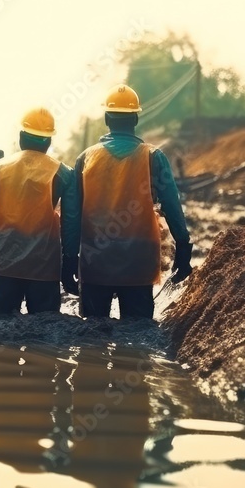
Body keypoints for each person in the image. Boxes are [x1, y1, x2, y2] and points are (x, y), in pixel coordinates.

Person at [65, 85, 193, 320]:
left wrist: (69, 259)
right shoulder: (154, 157)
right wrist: (184, 248)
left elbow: (71, 215)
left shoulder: (86, 159)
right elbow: (173, 207)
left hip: (96, 262)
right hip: (139, 263)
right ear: (135, 118)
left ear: (106, 118)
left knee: (92, 339)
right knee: (138, 338)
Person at [0, 108, 79, 315]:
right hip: (43, 267)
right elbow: (71, 223)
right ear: (49, 142)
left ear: (21, 137)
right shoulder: (64, 174)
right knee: (44, 334)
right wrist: (68, 266)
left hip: (2, 264)